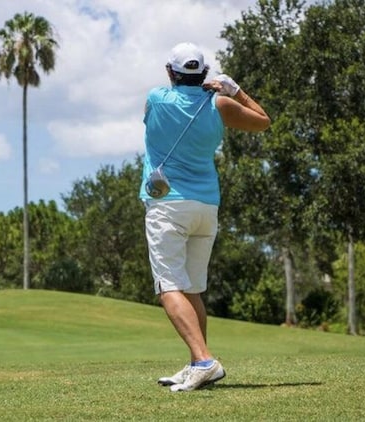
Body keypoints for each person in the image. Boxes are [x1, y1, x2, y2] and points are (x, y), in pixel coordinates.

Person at [139, 42, 270, 392]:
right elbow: (263, 121)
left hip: (168, 206)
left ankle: (204, 360)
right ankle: (199, 361)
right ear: (205, 73)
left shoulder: (157, 98)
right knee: (193, 288)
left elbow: (166, 101)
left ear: (171, 72)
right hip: (206, 208)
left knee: (169, 287)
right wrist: (235, 90)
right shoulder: (221, 105)